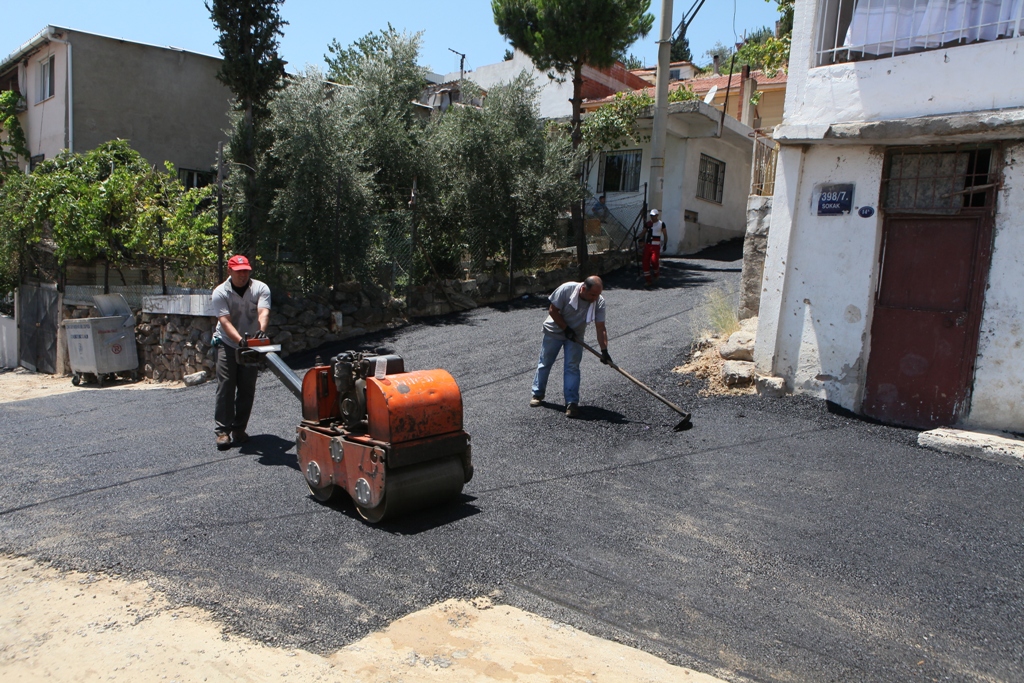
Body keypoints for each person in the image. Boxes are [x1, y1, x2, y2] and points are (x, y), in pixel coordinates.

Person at [211, 254, 271, 449]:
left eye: (245, 271)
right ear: (230, 271)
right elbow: (225, 321)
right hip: (227, 342)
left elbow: (264, 312)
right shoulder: (220, 292)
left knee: (247, 386)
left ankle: (239, 429)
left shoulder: (260, 288)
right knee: (227, 384)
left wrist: (261, 332)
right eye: (238, 272)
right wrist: (240, 341)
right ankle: (222, 431)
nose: (242, 275)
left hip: (252, 342)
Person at [530, 276, 612, 418]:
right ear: (583, 289)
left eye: (598, 294)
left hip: (576, 336)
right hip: (554, 331)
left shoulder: (599, 301)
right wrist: (566, 329)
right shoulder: (566, 290)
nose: (595, 298)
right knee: (545, 363)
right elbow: (552, 310)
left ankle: (571, 403)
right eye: (593, 294)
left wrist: (604, 351)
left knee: (572, 367)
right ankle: (537, 394)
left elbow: (601, 328)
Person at [642, 209, 667, 287]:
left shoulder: (661, 224)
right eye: (651, 216)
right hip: (648, 245)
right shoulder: (648, 224)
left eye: (654, 216)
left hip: (656, 246)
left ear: (657, 215)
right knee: (645, 262)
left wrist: (665, 244)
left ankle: (656, 273)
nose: (653, 217)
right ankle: (648, 280)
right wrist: (637, 237)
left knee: (654, 261)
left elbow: (665, 235)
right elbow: (643, 232)